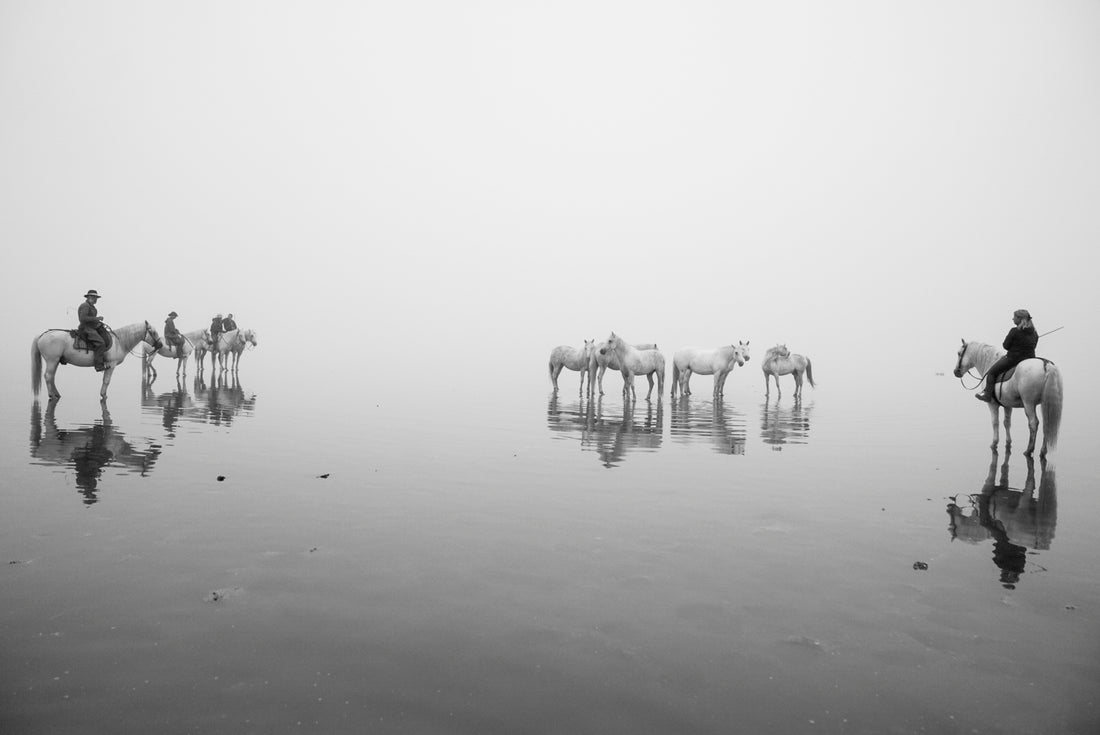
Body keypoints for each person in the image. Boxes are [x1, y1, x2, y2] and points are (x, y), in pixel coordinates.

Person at [975, 309, 1038, 402]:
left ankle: (987, 395)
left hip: (1013, 359)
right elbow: (1034, 345)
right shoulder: (1034, 333)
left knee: (991, 373)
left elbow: (1006, 346)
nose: (1013, 319)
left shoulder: (1014, 331)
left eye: (1014, 317)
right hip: (1030, 359)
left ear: (1020, 319)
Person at [77, 289, 109, 372]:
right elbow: (83, 318)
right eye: (94, 297)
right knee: (101, 343)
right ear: (89, 297)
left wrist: (97, 322)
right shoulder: (85, 306)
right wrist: (97, 318)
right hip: (86, 329)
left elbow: (90, 319)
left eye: (96, 298)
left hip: (91, 327)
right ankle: (98, 365)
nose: (95, 300)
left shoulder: (91, 306)